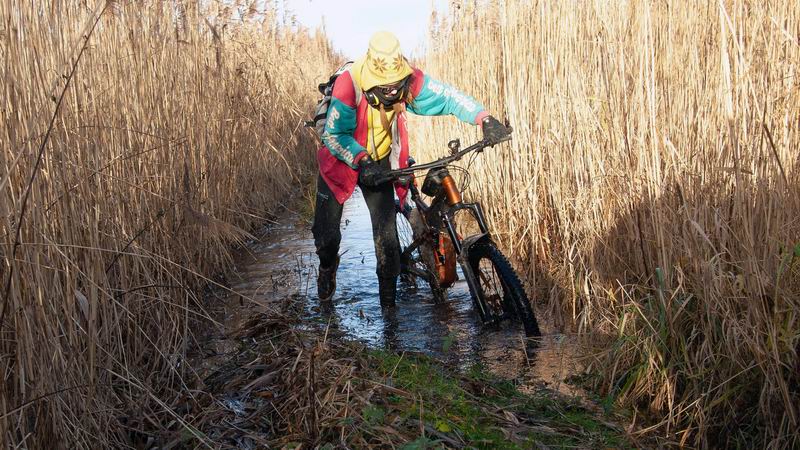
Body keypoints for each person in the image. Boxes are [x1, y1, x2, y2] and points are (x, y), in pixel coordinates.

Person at [312, 31, 510, 308]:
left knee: (387, 242)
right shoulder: (350, 84)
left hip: (379, 162)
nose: (393, 91)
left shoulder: (408, 78)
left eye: (397, 86)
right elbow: (334, 135)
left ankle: (388, 311)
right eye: (386, 87)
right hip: (339, 162)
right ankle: (327, 267)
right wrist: (361, 161)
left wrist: (484, 118)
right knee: (326, 236)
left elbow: (448, 96)